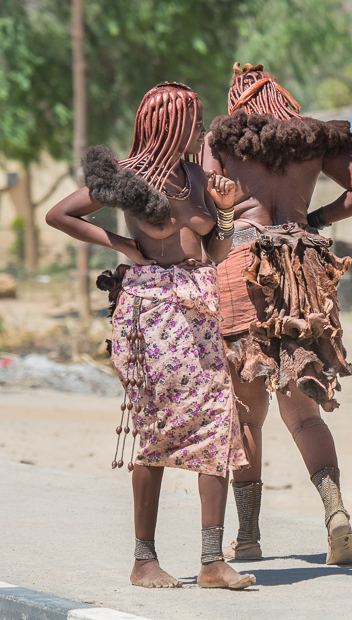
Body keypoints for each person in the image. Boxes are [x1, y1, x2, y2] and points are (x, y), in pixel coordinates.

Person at [46, 82, 256, 589]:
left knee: (219, 422)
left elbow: (221, 252)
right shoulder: (126, 177)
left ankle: (211, 562)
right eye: (192, 118)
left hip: (199, 304)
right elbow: (60, 214)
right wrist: (119, 241)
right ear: (166, 122)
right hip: (149, 313)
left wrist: (225, 211)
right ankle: (144, 560)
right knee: (155, 427)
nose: (200, 127)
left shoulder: (201, 178)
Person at [200, 63, 352, 565]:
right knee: (302, 411)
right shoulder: (312, 139)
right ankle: (335, 512)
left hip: (242, 264)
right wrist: (315, 218)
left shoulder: (221, 139)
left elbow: (208, 204)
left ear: (237, 101)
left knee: (246, 413)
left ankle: (250, 538)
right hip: (304, 266)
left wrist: (223, 222)